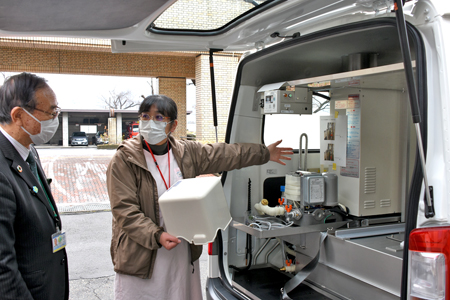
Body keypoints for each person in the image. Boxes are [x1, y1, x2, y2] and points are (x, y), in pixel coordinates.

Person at [107, 94, 293, 300]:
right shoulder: (125, 159)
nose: (150, 123)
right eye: (145, 116)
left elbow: (226, 154)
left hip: (180, 246)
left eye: (159, 118)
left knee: (178, 293)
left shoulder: (186, 152)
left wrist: (264, 153)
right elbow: (124, 211)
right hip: (140, 254)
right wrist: (156, 235)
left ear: (173, 125)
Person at [0, 73, 68, 299]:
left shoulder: (29, 150)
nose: (55, 118)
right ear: (19, 115)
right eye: (50, 112)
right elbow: (3, 268)